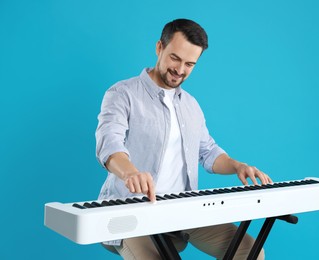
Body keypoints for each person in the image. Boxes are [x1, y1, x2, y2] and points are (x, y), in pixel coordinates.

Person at [96, 18, 271, 260]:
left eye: (190, 64)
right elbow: (109, 144)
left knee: (250, 251)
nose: (180, 70)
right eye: (175, 58)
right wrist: (129, 173)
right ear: (159, 48)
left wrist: (237, 166)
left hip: (182, 209)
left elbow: (208, 152)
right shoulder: (122, 94)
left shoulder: (190, 105)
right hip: (131, 210)